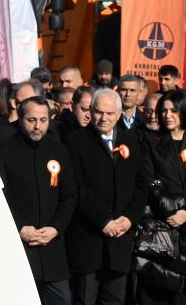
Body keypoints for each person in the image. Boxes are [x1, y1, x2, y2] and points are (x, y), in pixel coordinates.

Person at [66, 88, 148, 305]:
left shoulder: (132, 140)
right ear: (91, 111)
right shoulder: (75, 141)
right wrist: (103, 220)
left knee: (114, 299)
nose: (104, 118)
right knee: (85, 299)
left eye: (110, 113)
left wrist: (129, 218)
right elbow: (77, 187)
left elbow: (142, 184)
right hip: (88, 237)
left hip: (120, 237)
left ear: (119, 114)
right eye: (99, 112)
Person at [0, 96, 77, 305]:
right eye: (31, 120)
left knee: (62, 299)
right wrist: (20, 227)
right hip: (19, 244)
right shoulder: (3, 149)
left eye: (43, 120)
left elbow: (69, 195)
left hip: (52, 247)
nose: (38, 126)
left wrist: (55, 228)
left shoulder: (59, 149)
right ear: (20, 119)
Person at [135, 90, 186, 305]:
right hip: (160, 226)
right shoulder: (151, 142)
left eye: (174, 111)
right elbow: (151, 182)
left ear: (184, 111)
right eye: (164, 111)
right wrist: (172, 211)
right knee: (158, 288)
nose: (168, 115)